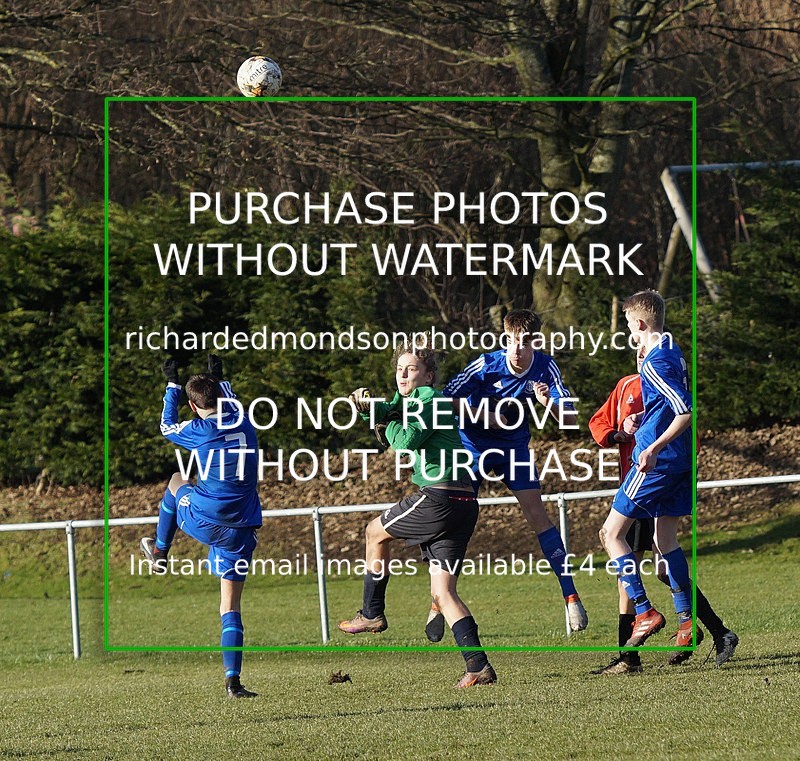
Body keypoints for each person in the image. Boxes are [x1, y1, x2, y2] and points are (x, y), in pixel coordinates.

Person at [338, 339, 497, 688]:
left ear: (428, 376)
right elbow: (390, 411)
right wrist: (370, 410)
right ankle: (478, 666)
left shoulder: (427, 399)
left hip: (440, 497)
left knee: (374, 532)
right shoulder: (414, 399)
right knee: (443, 594)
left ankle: (371, 613)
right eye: (400, 369)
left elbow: (405, 441)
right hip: (463, 502)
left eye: (411, 369)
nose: (403, 375)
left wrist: (383, 421)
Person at [599, 290, 739, 666]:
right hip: (682, 461)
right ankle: (691, 623)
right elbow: (667, 405)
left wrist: (653, 447)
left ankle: (644, 611)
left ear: (640, 323)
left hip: (658, 464)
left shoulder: (655, 362)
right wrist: (643, 419)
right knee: (665, 543)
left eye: (628, 325)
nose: (628, 332)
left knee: (610, 534)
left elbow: (684, 410)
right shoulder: (672, 350)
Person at [430, 308, 588, 636]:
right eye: (512, 341)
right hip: (473, 447)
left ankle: (571, 596)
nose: (517, 349)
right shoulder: (485, 365)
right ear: (505, 339)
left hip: (513, 448)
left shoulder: (545, 368)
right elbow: (443, 399)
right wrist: (483, 416)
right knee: (457, 520)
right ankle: (438, 600)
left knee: (538, 516)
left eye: (525, 342)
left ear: (536, 342)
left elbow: (571, 419)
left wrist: (548, 404)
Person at [140, 354, 262, 698]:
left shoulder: (199, 430)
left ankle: (160, 552)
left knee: (176, 480)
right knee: (230, 607)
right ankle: (233, 682)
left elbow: (166, 426)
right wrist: (220, 379)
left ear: (193, 407)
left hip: (206, 518)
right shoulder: (243, 420)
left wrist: (172, 386)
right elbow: (230, 399)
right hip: (242, 528)